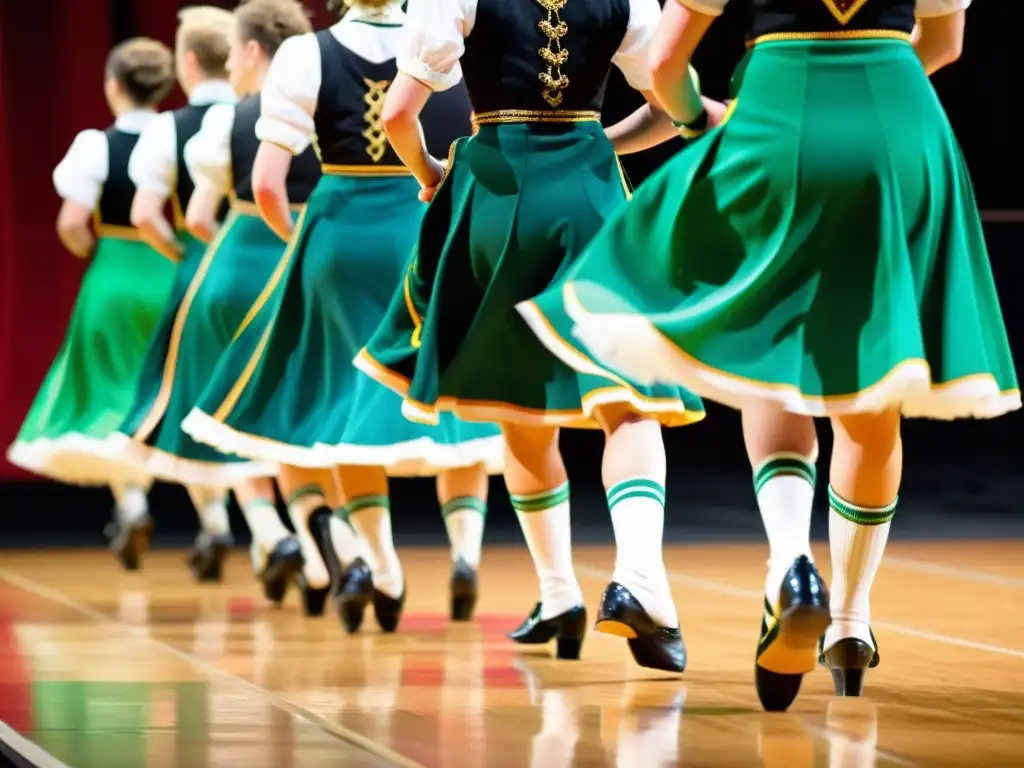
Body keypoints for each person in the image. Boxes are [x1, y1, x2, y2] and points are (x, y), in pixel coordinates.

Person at [523, 0, 1019, 709]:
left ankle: (791, 562)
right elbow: (943, 42)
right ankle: (849, 621)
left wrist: (700, 122)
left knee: (771, 354)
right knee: (873, 383)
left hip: (778, 115)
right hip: (900, 125)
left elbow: (665, 65)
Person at [356, 0, 707, 671]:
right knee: (627, 400)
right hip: (590, 191)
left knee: (517, 400)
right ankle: (639, 579)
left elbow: (397, 114)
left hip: (494, 190)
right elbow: (668, 102)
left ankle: (558, 593)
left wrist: (431, 173)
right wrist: (604, 142)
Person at [181, 0, 502, 633]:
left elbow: (269, 183)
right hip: (422, 225)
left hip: (337, 235)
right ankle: (464, 554)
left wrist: (298, 244)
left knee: (342, 399)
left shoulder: (306, 52)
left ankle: (381, 565)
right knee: (444, 392)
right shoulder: (443, 35)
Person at [117, 0, 319, 604]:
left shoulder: (217, 125)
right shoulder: (327, 104)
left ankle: (267, 529)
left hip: (232, 270)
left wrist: (206, 252)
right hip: (313, 269)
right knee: (310, 417)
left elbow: (189, 216)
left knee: (236, 416)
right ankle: (331, 553)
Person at [6, 39, 177, 571]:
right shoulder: (178, 133)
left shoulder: (95, 146)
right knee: (175, 391)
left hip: (115, 273)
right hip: (173, 270)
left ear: (113, 85)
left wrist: (95, 252)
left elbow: (71, 224)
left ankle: (132, 505)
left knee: (116, 395)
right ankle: (219, 521)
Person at [112, 6, 243, 581]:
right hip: (271, 269)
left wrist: (186, 256)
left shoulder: (169, 127)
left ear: (187, 61)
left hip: (202, 276)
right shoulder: (258, 111)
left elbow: (146, 215)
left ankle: (211, 523)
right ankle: (281, 536)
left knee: (192, 403)